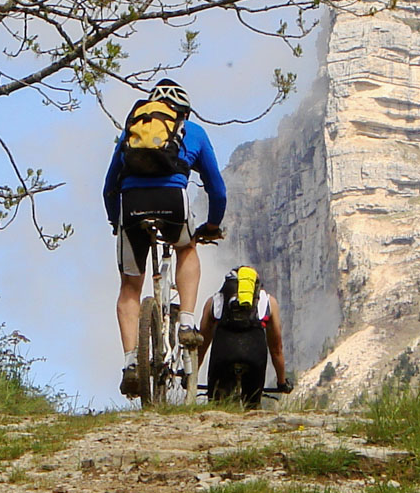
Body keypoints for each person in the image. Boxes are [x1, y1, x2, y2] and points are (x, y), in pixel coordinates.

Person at [103, 79, 227, 397]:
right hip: (173, 202)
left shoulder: (133, 129)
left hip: (130, 206)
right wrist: (212, 225)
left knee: (130, 286)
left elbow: (109, 186)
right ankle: (186, 321)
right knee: (187, 248)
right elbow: (217, 188)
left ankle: (131, 362)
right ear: (182, 111)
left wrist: (116, 222)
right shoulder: (193, 132)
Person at [197, 265, 291, 407]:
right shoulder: (269, 302)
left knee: (218, 408)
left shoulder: (214, 301)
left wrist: (191, 375)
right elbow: (276, 348)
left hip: (222, 356)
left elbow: (202, 345)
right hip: (255, 357)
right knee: (252, 407)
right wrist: (282, 382)